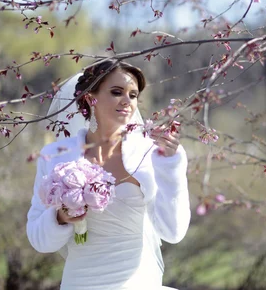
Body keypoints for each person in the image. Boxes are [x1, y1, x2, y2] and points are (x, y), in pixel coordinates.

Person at [26, 60, 190, 290]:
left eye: (133, 95)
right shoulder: (55, 156)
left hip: (138, 281)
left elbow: (173, 233)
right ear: (90, 97)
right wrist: (61, 217)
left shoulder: (153, 154)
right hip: (80, 281)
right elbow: (38, 240)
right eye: (116, 92)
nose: (127, 101)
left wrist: (170, 165)